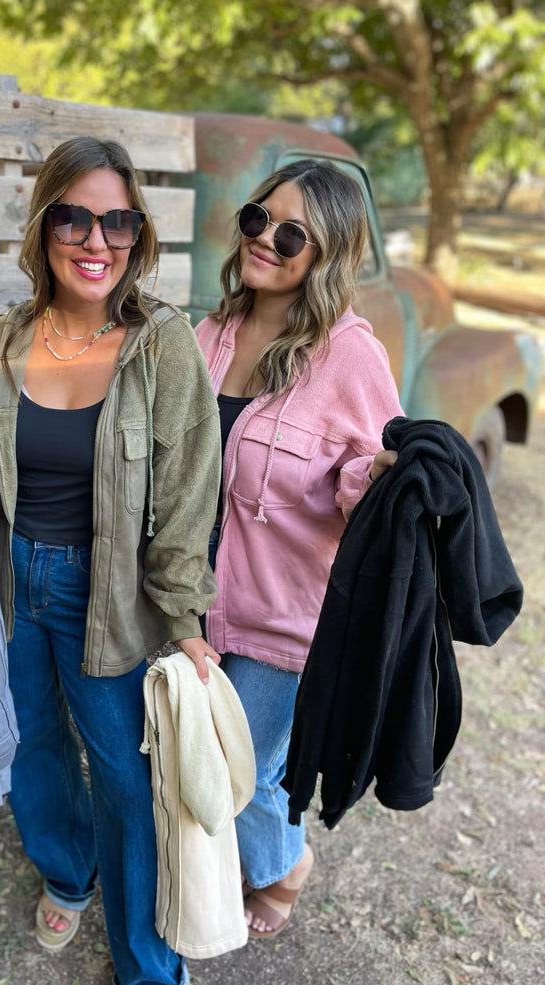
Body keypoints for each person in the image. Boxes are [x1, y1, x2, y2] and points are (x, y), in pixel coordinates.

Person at [0, 137, 221, 985]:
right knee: (31, 743)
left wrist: (185, 618)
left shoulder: (161, 346)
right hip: (8, 584)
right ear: (44, 226)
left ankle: (152, 975)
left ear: (138, 234)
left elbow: (190, 491)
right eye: (75, 217)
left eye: (118, 220)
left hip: (108, 594)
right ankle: (66, 871)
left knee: (126, 781)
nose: (96, 239)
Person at [195, 158, 404, 938]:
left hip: (283, 612)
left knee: (242, 771)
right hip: (193, 598)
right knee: (196, 757)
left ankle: (284, 868)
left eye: (293, 234)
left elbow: (367, 482)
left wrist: (376, 476)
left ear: (327, 255)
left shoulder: (352, 358)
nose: (266, 240)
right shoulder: (210, 333)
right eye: (259, 218)